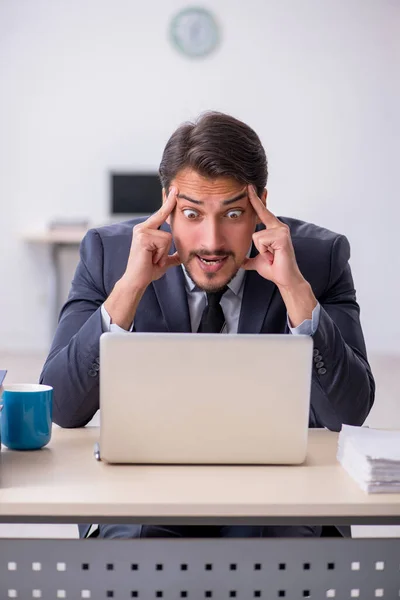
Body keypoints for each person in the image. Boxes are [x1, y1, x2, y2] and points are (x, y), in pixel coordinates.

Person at [40, 111, 375, 539]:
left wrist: (296, 292)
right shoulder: (109, 256)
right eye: (192, 214)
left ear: (261, 207)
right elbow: (63, 409)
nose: (212, 241)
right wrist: (129, 290)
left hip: (280, 493)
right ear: (166, 206)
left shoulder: (317, 260)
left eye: (233, 214)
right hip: (146, 491)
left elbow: (348, 413)